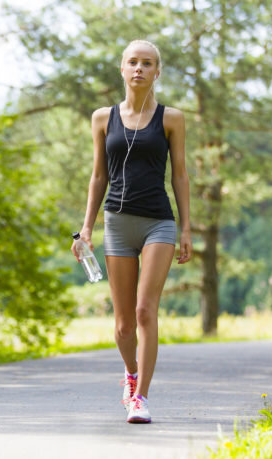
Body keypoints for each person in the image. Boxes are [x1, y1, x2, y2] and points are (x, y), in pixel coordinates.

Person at [71, 39, 192, 424]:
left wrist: (186, 227)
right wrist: (86, 228)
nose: (139, 68)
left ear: (157, 72)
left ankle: (140, 398)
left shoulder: (171, 118)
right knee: (123, 324)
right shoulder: (102, 118)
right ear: (122, 69)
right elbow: (97, 176)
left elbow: (180, 175)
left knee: (144, 311)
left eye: (148, 63)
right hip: (118, 223)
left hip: (159, 220)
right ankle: (130, 372)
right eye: (133, 62)